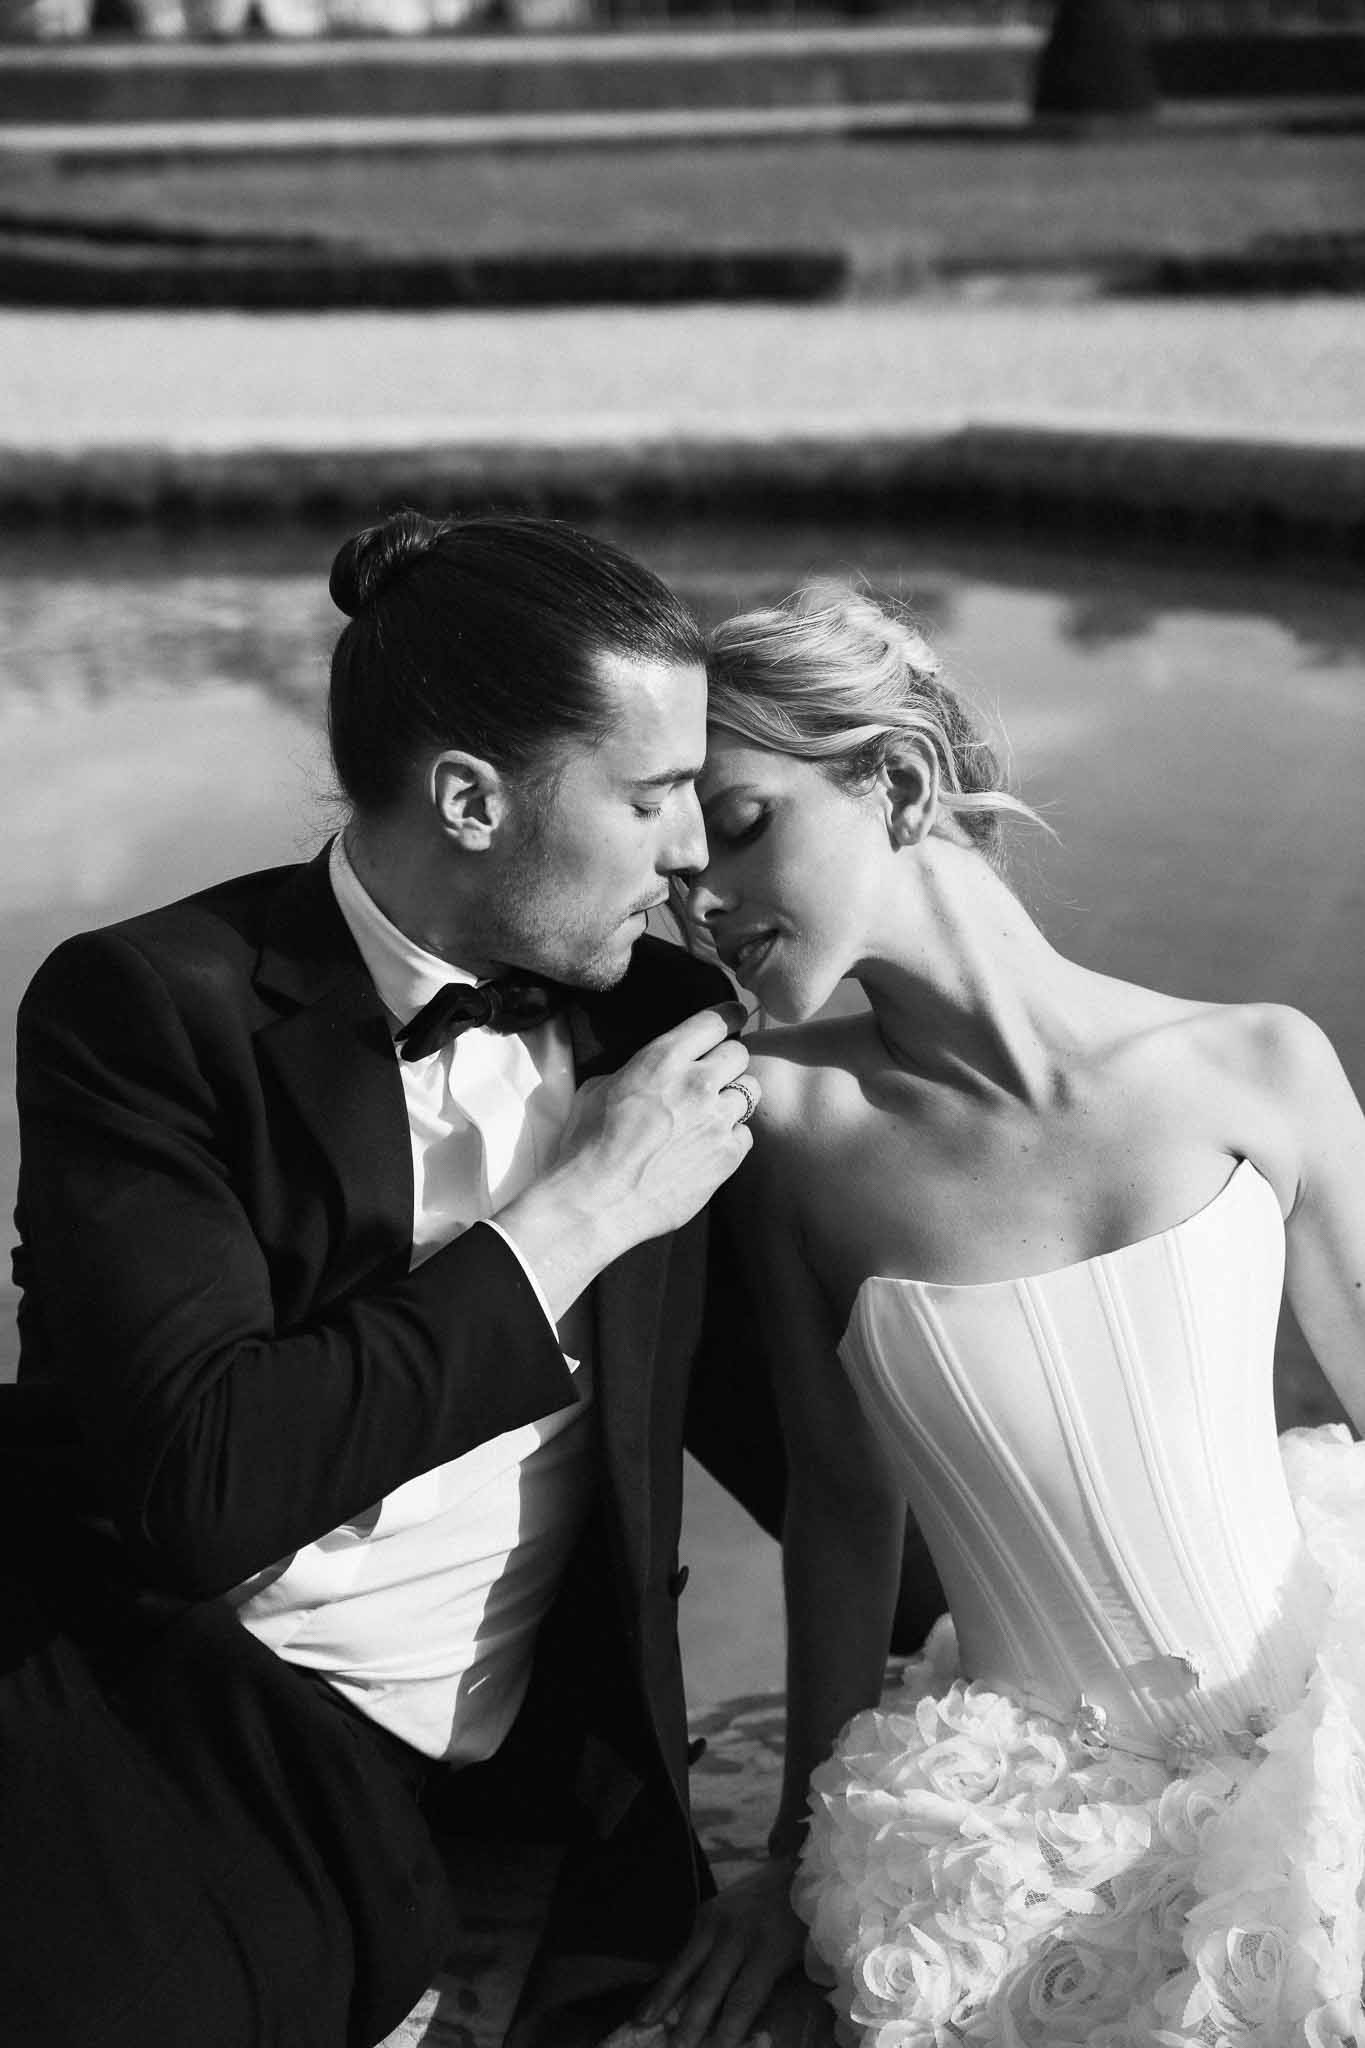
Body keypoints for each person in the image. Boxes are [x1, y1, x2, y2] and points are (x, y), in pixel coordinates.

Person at [1, 509, 767, 2048]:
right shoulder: (149, 1008)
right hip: (153, 1706)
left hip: (523, 1766)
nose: (692, 852)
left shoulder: (668, 1023)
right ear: (471, 799)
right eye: (652, 796)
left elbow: (778, 1421)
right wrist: (580, 1212)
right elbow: (201, 1481)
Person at [642, 580, 1365, 2048]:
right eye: (670, 862)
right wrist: (790, 1857)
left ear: (897, 781)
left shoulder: (1254, 1065)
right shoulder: (783, 1127)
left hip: (1324, 1738)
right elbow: (841, 1508)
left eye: (738, 822)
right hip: (1025, 1831)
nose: (696, 898)